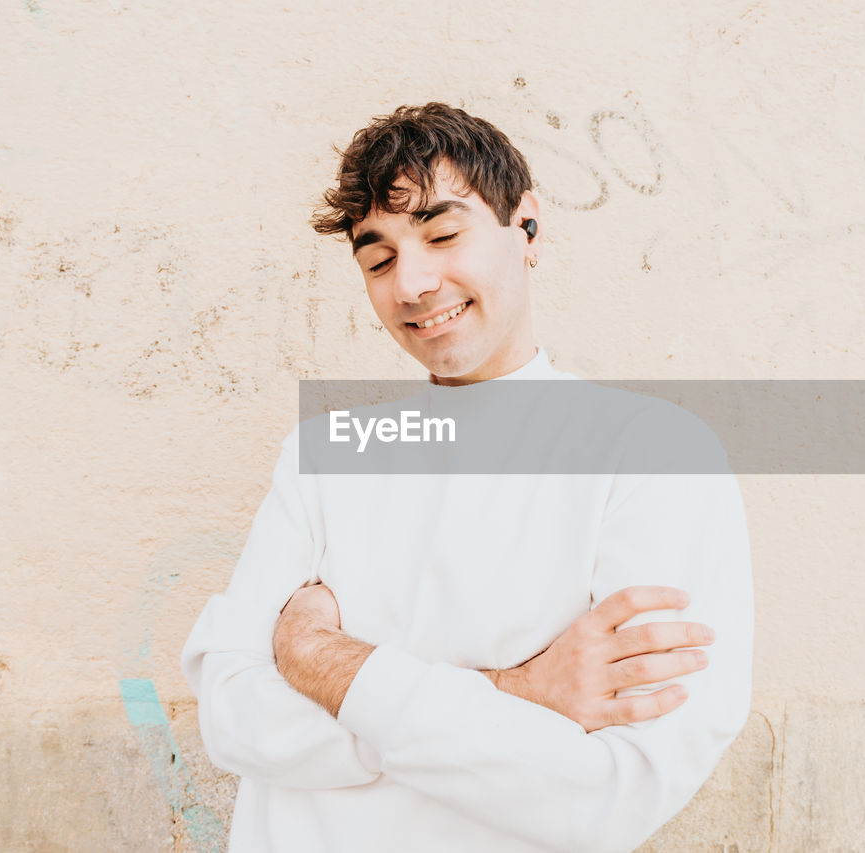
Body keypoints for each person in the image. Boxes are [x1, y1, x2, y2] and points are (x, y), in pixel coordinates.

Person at [181, 102, 754, 853]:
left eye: (444, 234)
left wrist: (317, 658)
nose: (413, 284)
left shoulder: (651, 452)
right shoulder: (327, 451)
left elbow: (610, 791)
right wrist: (512, 691)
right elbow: (231, 717)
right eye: (378, 258)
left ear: (528, 227)